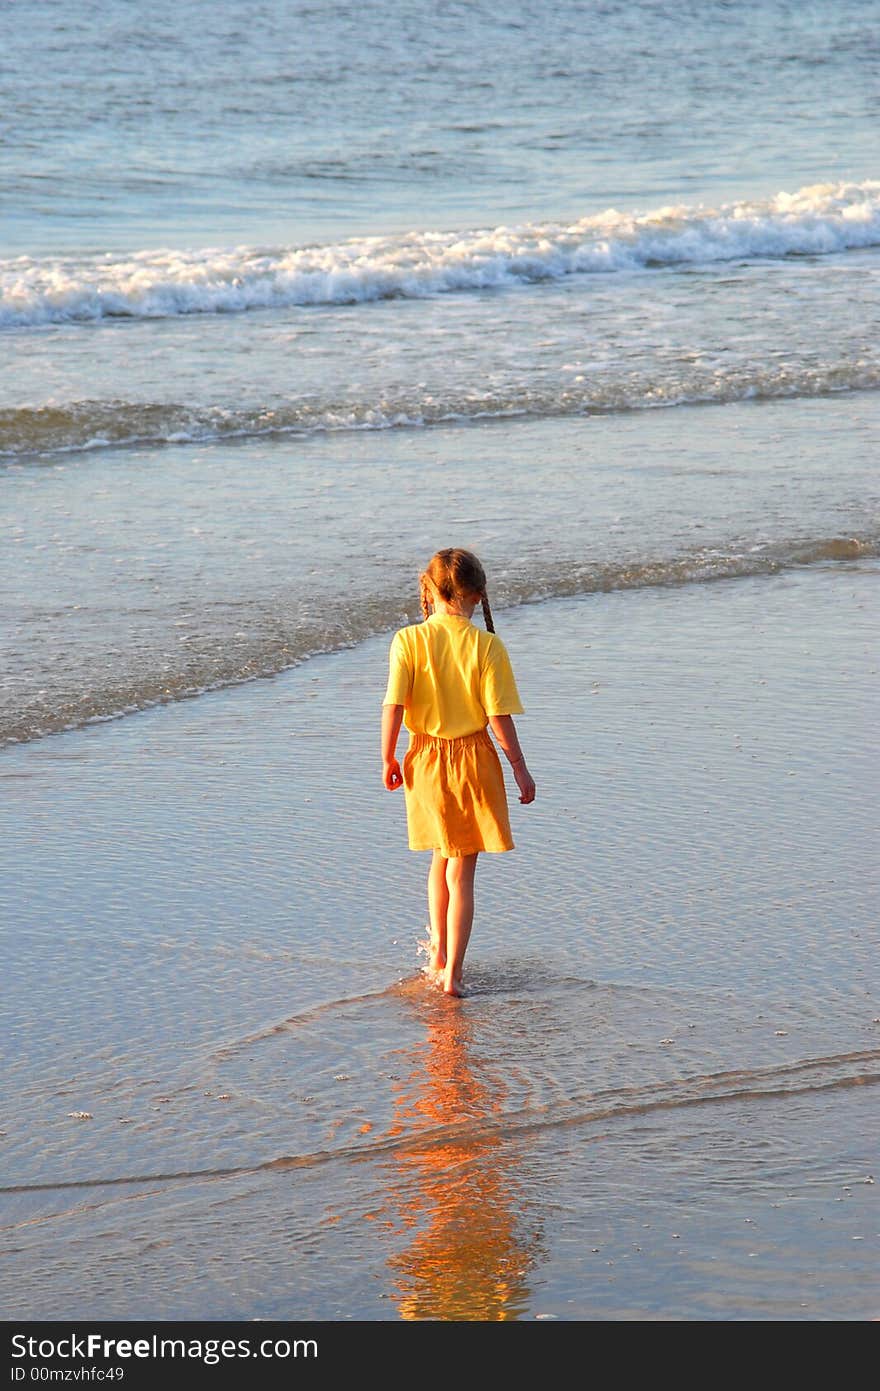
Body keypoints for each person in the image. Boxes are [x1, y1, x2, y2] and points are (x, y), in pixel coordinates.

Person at [381, 548, 536, 997]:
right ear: (478, 593)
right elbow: (499, 718)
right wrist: (521, 770)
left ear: (428, 588)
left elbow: (393, 704)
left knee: (439, 858)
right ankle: (452, 975)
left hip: (424, 759)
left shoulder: (407, 641)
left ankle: (436, 955)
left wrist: (387, 756)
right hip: (472, 759)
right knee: (461, 869)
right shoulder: (486, 645)